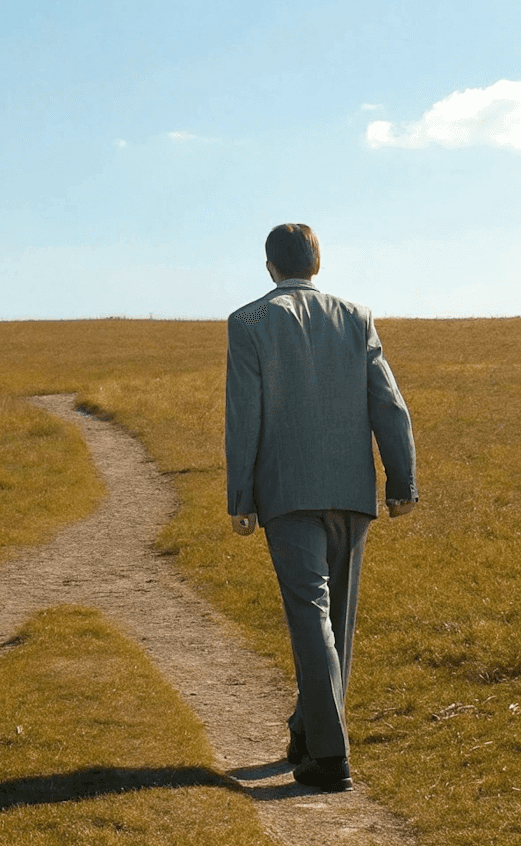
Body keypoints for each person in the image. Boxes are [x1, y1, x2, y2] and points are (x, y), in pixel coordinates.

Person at [224, 223, 417, 792]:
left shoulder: (248, 322)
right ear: (317, 262)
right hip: (352, 492)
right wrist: (401, 483)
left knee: (312, 618)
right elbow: (389, 405)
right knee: (336, 624)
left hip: (286, 492)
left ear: (269, 266)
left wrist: (241, 497)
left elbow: (244, 416)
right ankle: (308, 733)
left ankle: (330, 757)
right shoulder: (357, 317)